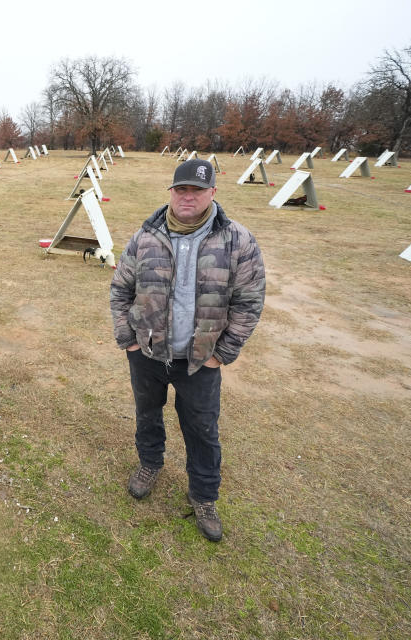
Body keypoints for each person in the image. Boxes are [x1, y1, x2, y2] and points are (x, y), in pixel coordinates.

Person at [109, 158, 265, 542]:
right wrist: (127, 338)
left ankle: (204, 495)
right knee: (147, 415)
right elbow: (120, 290)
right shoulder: (145, 237)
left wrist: (221, 353)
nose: (188, 197)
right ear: (172, 193)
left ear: (213, 192)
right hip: (147, 355)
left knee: (202, 429)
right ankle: (149, 464)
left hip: (200, 362)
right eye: (182, 190)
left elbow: (249, 302)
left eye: (197, 190)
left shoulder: (237, 241)